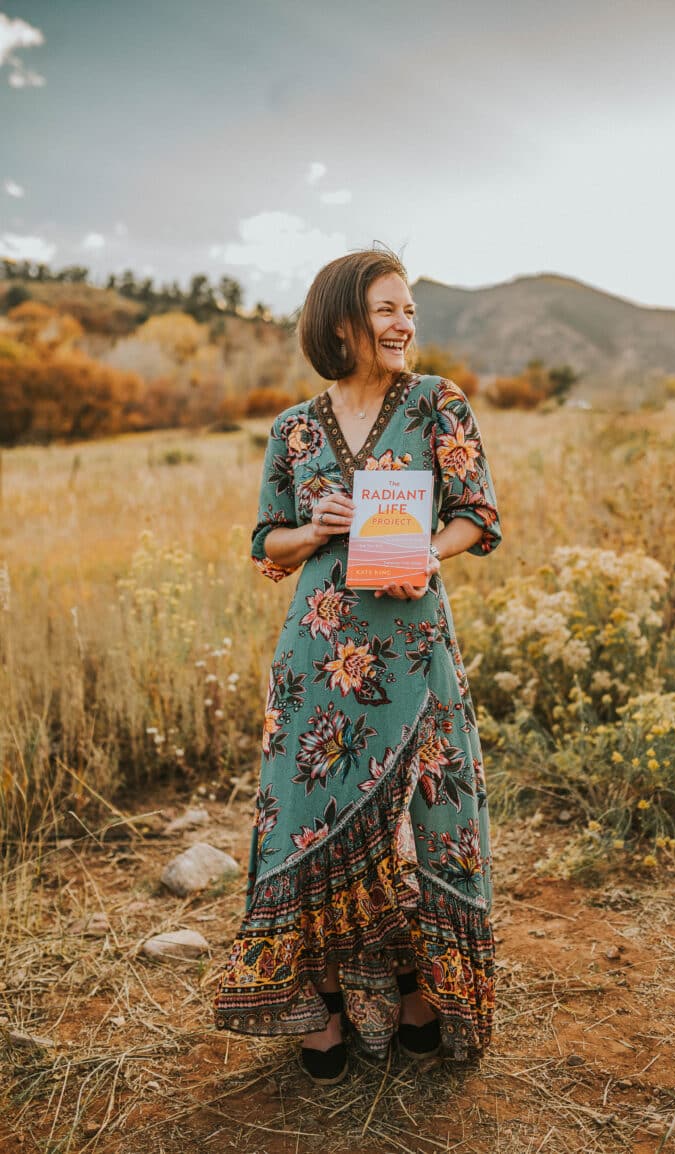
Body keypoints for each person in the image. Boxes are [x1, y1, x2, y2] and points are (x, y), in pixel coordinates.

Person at [213, 247, 502, 1084]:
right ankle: (328, 1005)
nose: (405, 323)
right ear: (341, 320)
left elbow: (478, 514)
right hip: (318, 654)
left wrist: (430, 549)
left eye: (409, 309)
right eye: (387, 309)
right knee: (309, 815)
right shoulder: (294, 429)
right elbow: (265, 540)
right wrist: (316, 527)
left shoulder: (437, 402)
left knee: (424, 814)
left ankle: (418, 993)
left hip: (414, 645)